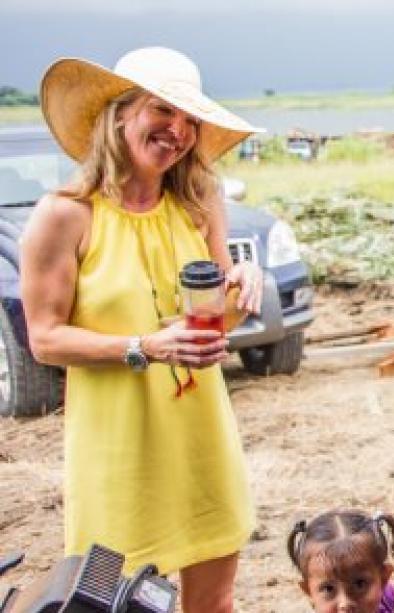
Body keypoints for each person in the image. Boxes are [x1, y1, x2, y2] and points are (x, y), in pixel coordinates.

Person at [21, 47, 264, 612]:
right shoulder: (65, 215)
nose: (177, 130)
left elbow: (212, 318)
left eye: (190, 119)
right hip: (118, 448)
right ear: (121, 114)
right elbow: (45, 338)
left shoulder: (199, 202)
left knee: (215, 601)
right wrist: (144, 347)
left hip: (201, 432)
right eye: (162, 111)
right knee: (116, 603)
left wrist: (243, 285)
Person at [288, 510, 394, 612]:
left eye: (359, 584)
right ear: (308, 591)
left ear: (383, 579)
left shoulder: (383, 600)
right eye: (328, 589)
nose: (345, 604)